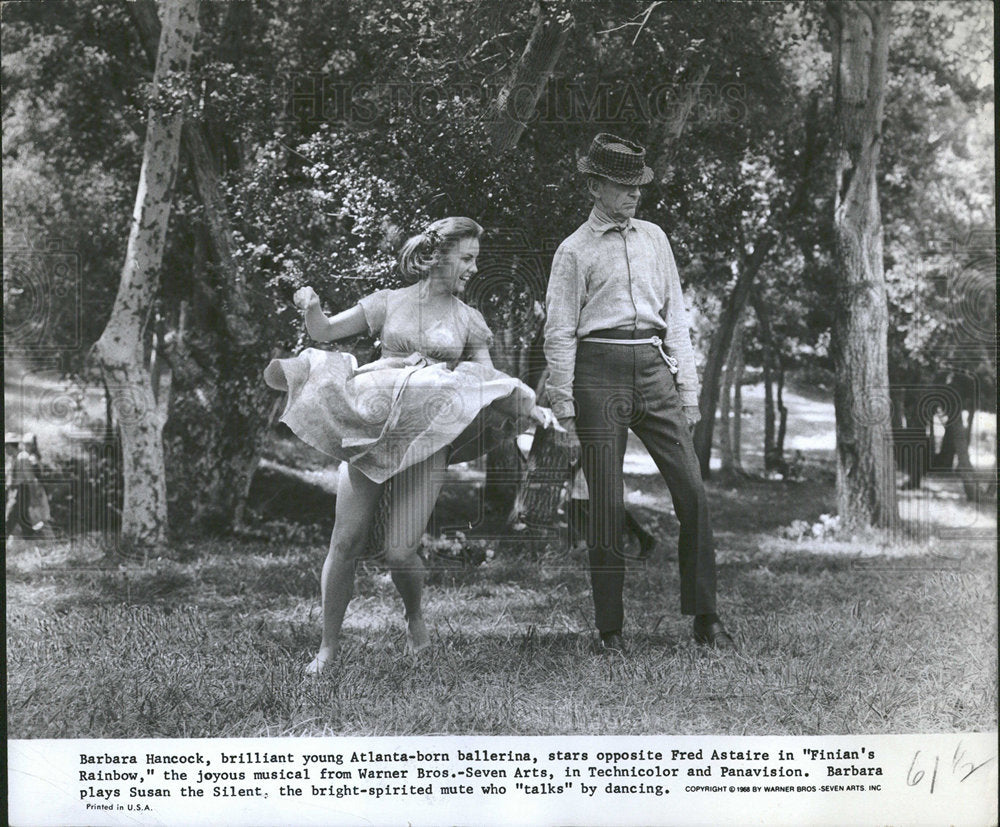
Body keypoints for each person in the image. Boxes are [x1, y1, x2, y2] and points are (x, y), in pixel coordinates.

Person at [265, 216, 560, 674]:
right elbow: (323, 332)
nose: (473, 269)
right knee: (346, 540)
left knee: (400, 550)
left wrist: (528, 406)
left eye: (476, 260)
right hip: (370, 428)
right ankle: (326, 649)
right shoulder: (388, 303)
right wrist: (311, 304)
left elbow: (486, 379)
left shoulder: (469, 320)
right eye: (466, 259)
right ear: (439, 256)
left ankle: (414, 616)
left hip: (428, 437)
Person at [544, 133, 735, 653]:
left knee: (693, 494)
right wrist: (562, 405)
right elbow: (559, 331)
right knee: (605, 503)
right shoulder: (573, 251)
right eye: (621, 185)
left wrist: (688, 391)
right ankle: (610, 630)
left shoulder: (655, 238)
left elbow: (676, 318)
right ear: (595, 186)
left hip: (655, 369)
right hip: (596, 372)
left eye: (637, 186)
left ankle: (706, 618)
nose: (632, 195)